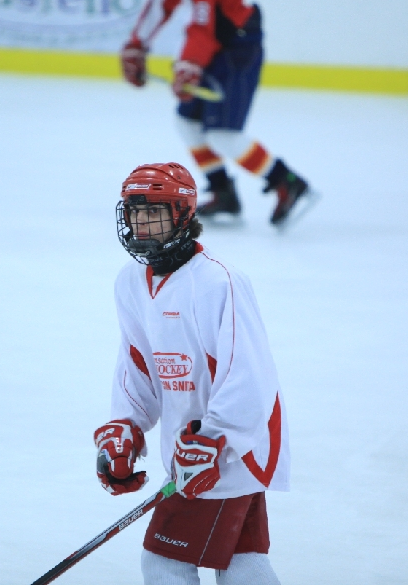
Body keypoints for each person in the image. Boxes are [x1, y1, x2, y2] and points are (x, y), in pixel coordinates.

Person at [94, 162, 288, 584]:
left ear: (182, 214)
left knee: (164, 561)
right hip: (195, 454)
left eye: (154, 212)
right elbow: (137, 364)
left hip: (229, 451)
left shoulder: (219, 282)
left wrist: (214, 439)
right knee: (240, 563)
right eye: (134, 212)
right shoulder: (130, 282)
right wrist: (127, 425)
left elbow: (249, 374)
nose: (141, 223)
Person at [121, 0, 317, 227]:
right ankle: (223, 192)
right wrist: (136, 44)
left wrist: (188, 67)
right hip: (216, 49)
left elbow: (202, 27)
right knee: (187, 122)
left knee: (223, 135)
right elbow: (160, 5)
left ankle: (288, 182)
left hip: (236, 50)